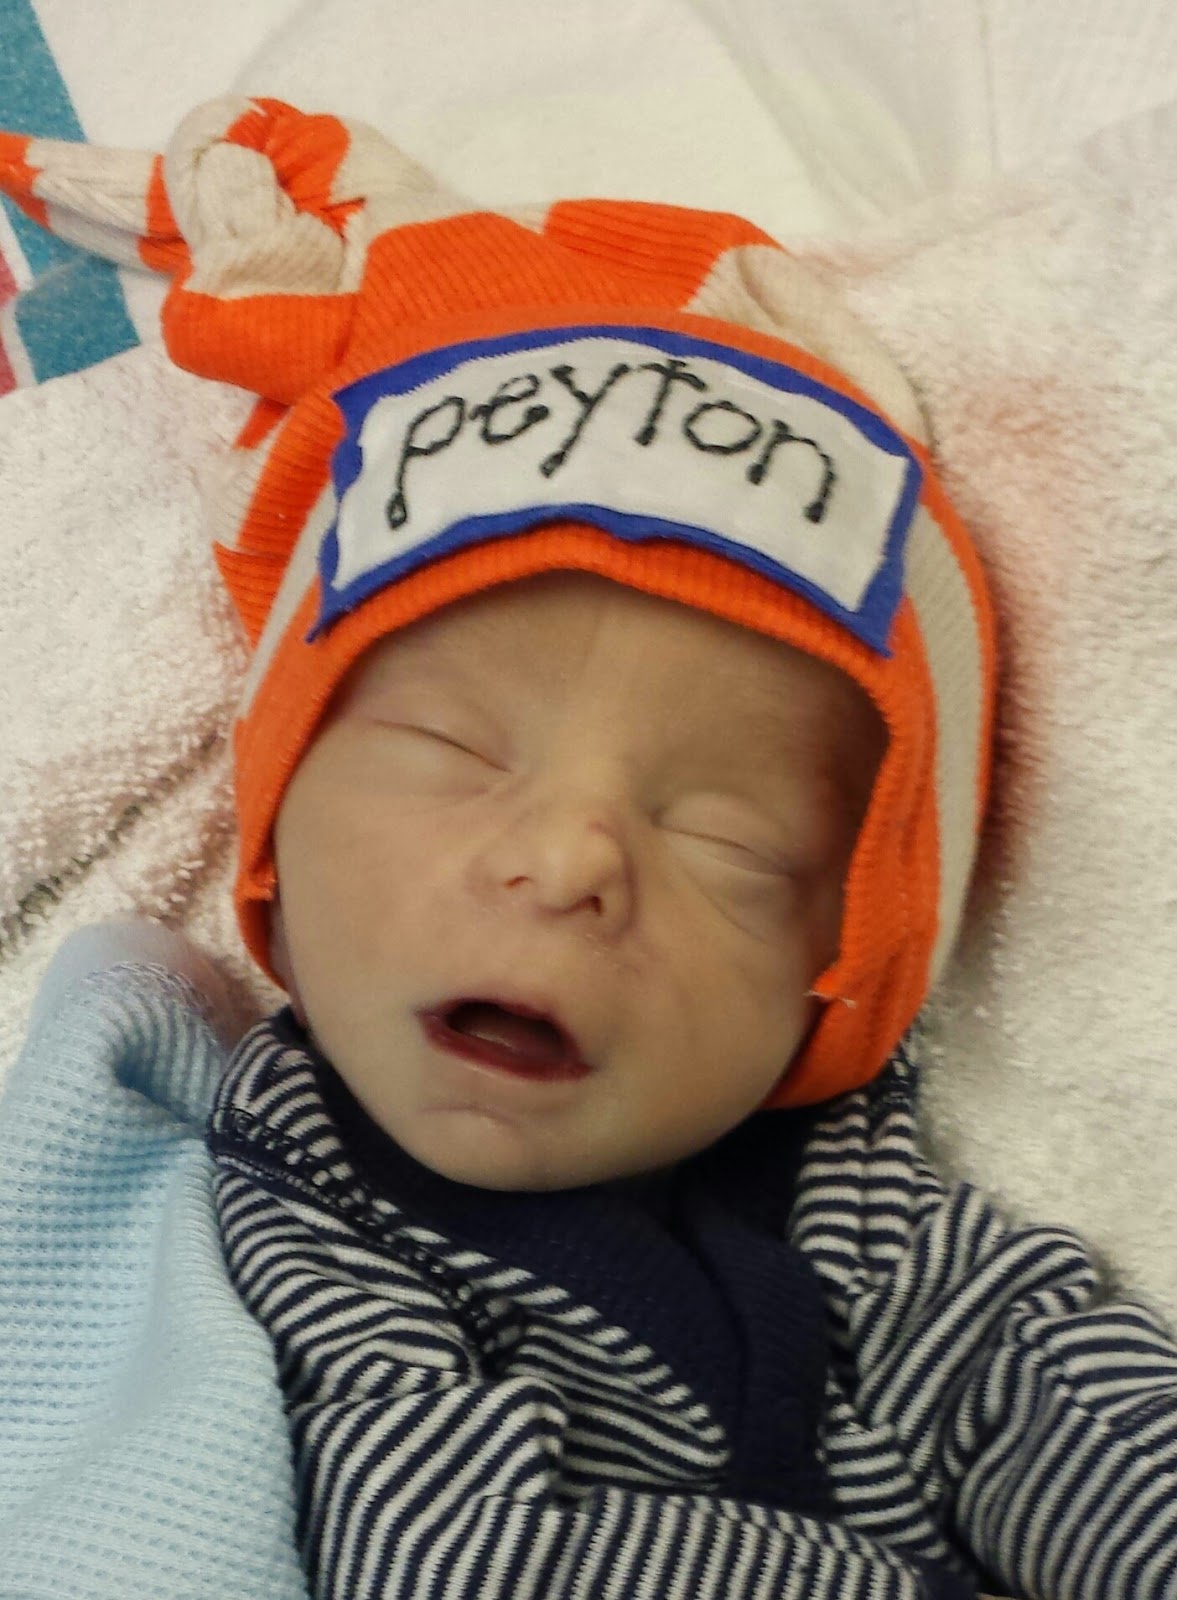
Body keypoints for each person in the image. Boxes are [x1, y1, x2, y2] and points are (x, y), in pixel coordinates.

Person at [2, 96, 1176, 1600]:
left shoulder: (849, 1184)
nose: (569, 860)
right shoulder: (302, 1192)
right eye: (453, 748)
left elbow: (1033, 1376)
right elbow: (452, 1553)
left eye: (731, 839)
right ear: (274, 837)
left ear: (843, 971)